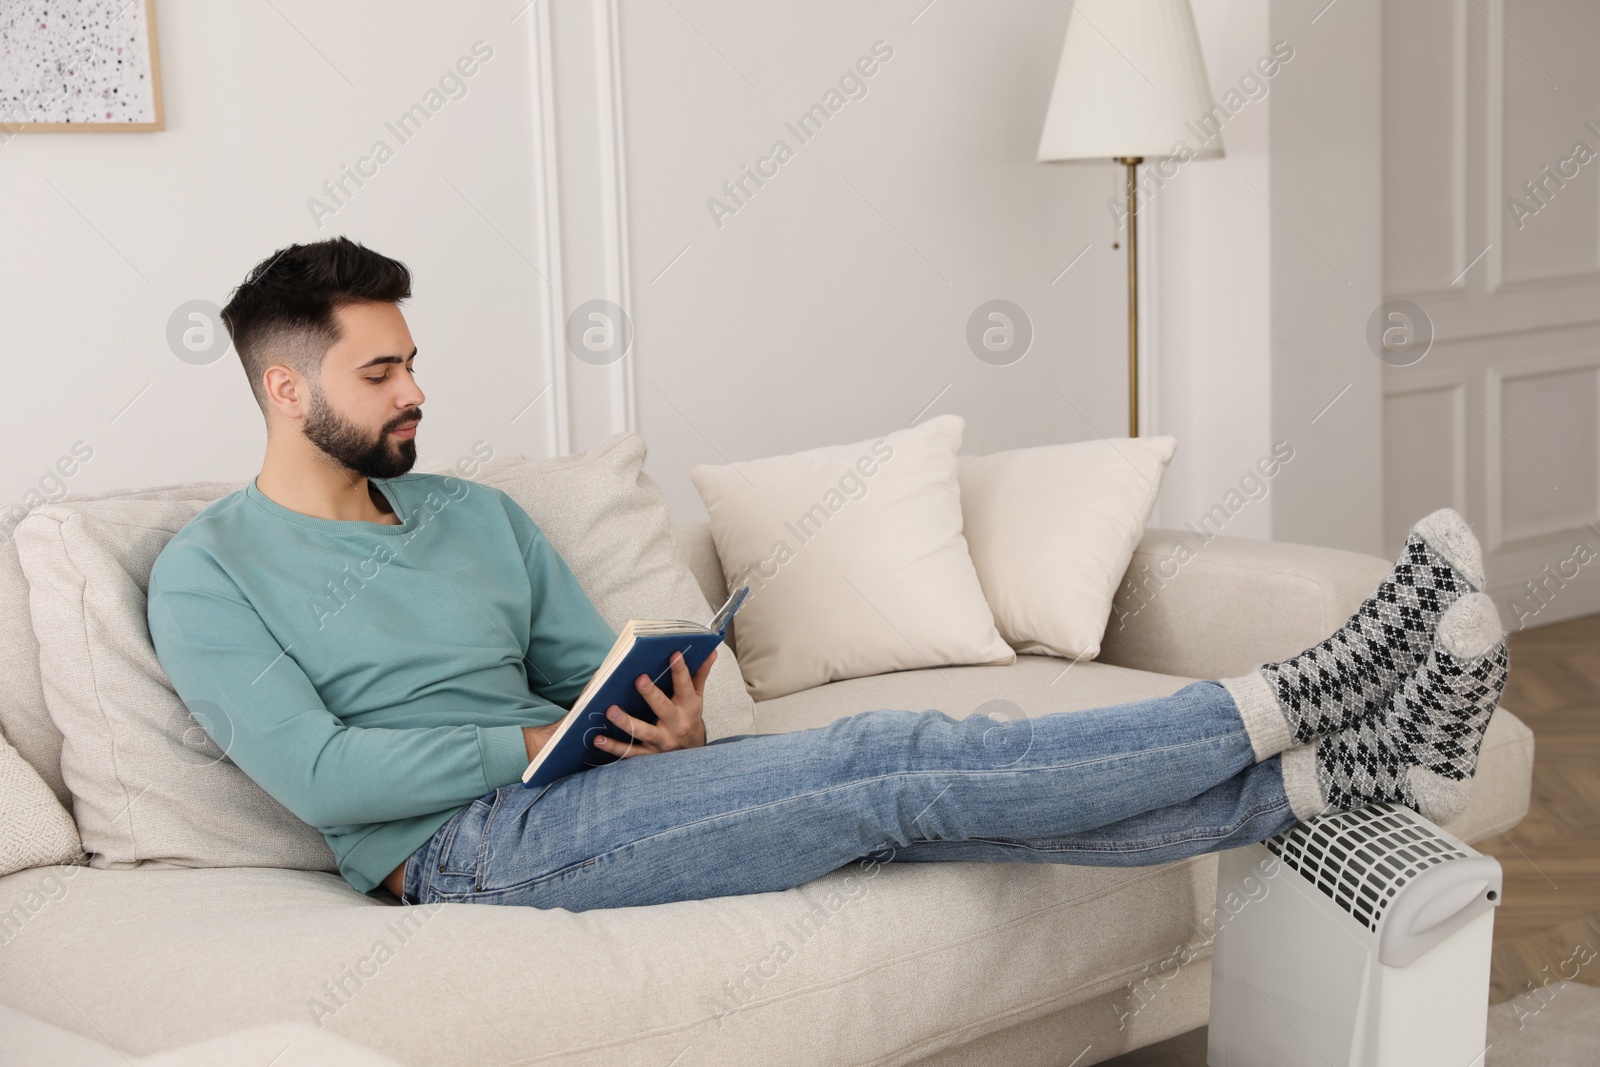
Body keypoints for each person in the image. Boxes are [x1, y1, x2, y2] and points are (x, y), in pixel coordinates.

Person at [146, 237, 1510, 912]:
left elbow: (586, 669)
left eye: (412, 361)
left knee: (920, 807)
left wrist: (654, 715)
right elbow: (325, 779)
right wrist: (535, 739)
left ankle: (1360, 770)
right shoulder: (211, 571)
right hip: (460, 854)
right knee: (896, 762)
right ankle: (1310, 688)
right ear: (284, 390)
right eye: (380, 372)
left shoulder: (468, 510)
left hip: (597, 782)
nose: (416, 393)